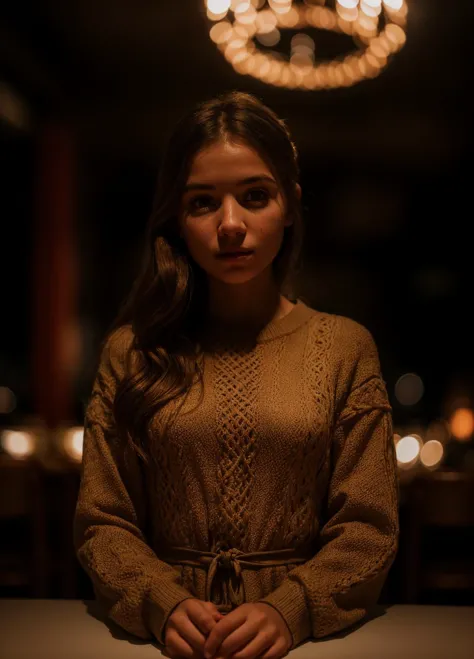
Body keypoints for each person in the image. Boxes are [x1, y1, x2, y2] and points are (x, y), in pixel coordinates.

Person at [73, 90, 399, 659]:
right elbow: (103, 519)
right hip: (165, 643)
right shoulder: (133, 352)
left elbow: (368, 527)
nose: (230, 224)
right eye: (203, 203)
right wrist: (161, 600)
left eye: (254, 196)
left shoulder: (343, 347)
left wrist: (291, 608)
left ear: (290, 205)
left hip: (304, 645)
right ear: (176, 216)